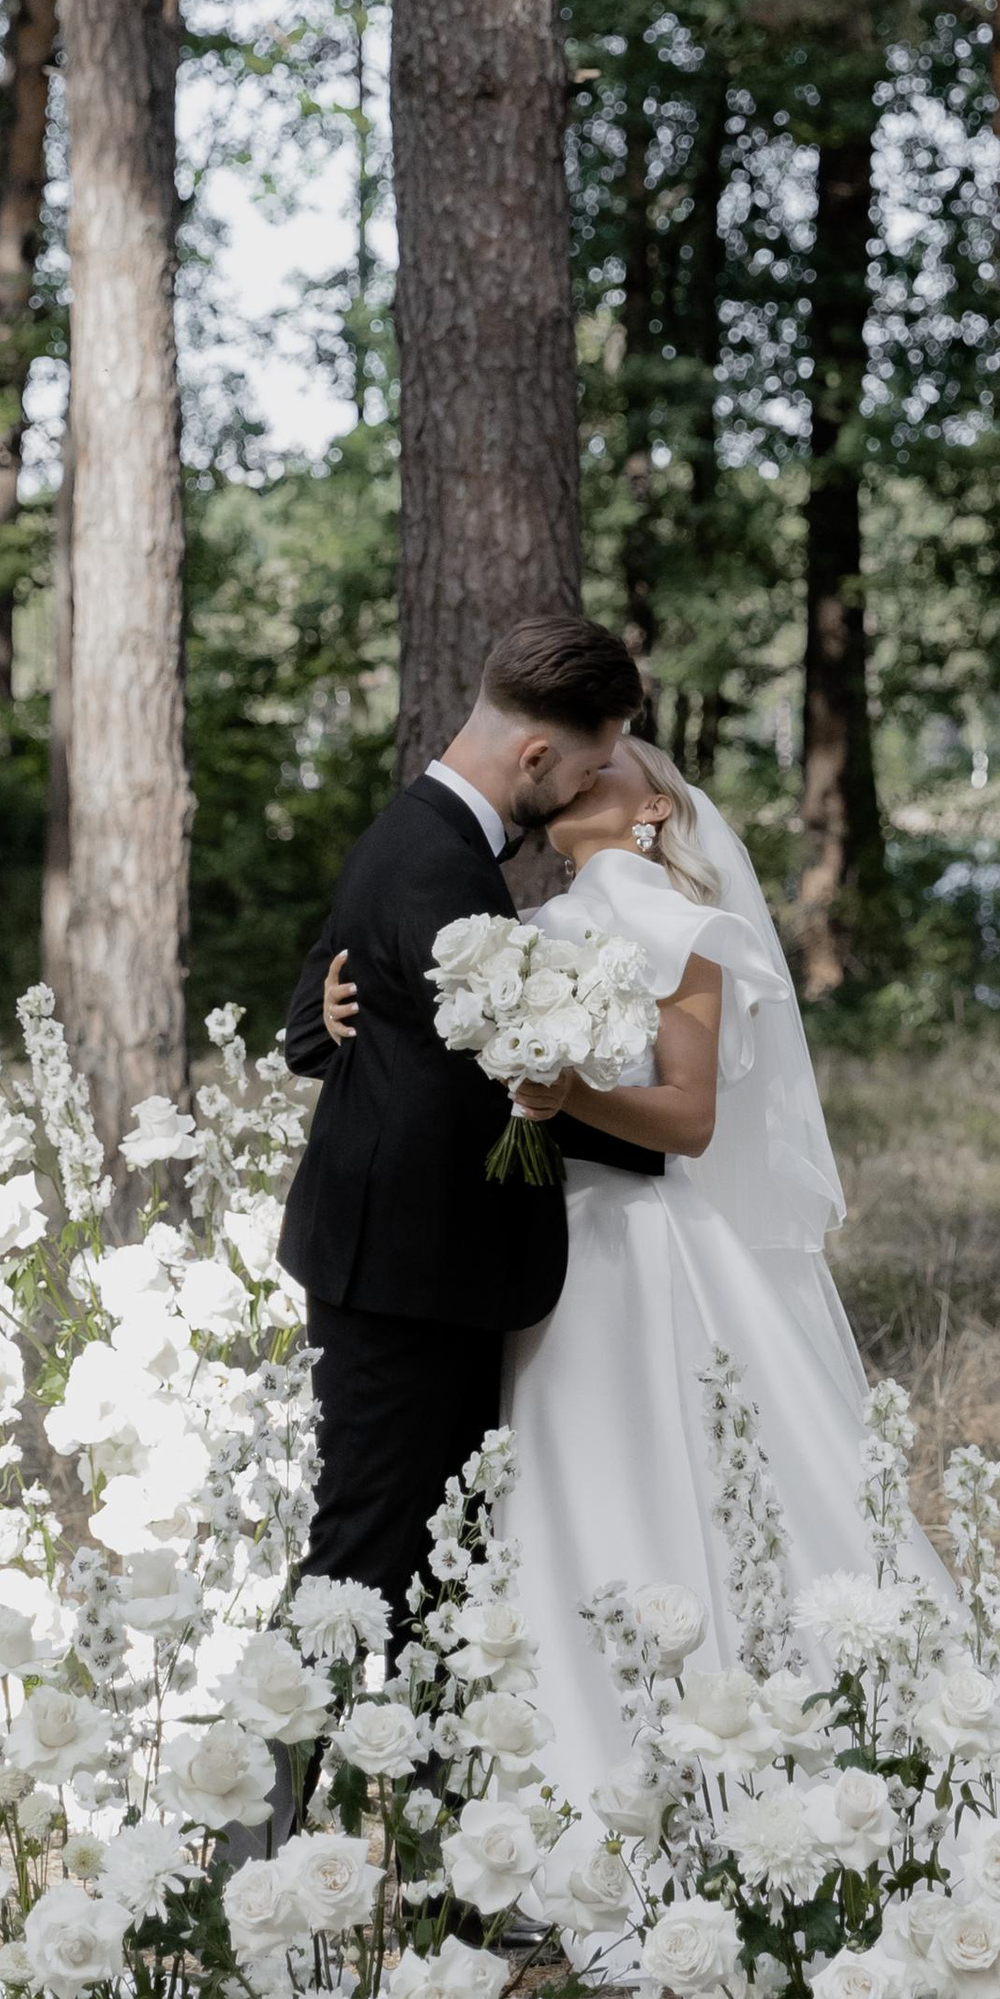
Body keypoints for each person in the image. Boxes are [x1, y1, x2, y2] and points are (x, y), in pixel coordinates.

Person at [317, 726, 966, 1814]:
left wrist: (566, 1094)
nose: (582, 772)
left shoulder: (684, 929)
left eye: (613, 764)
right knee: (546, 1498)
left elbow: (689, 1117)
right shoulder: (516, 928)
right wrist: (337, 1019)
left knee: (667, 1480)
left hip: (639, 1249)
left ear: (653, 810)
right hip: (529, 1251)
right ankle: (532, 1767)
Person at [279, 614, 663, 1635]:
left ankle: (414, 1786)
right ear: (536, 753)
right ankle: (244, 1799)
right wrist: (667, 1143)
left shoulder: (412, 832)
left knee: (432, 1562)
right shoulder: (440, 868)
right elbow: (493, 1084)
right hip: (407, 1276)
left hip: (409, 1266)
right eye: (587, 767)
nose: (592, 788)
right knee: (359, 1563)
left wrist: (328, 1025)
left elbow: (318, 1004)